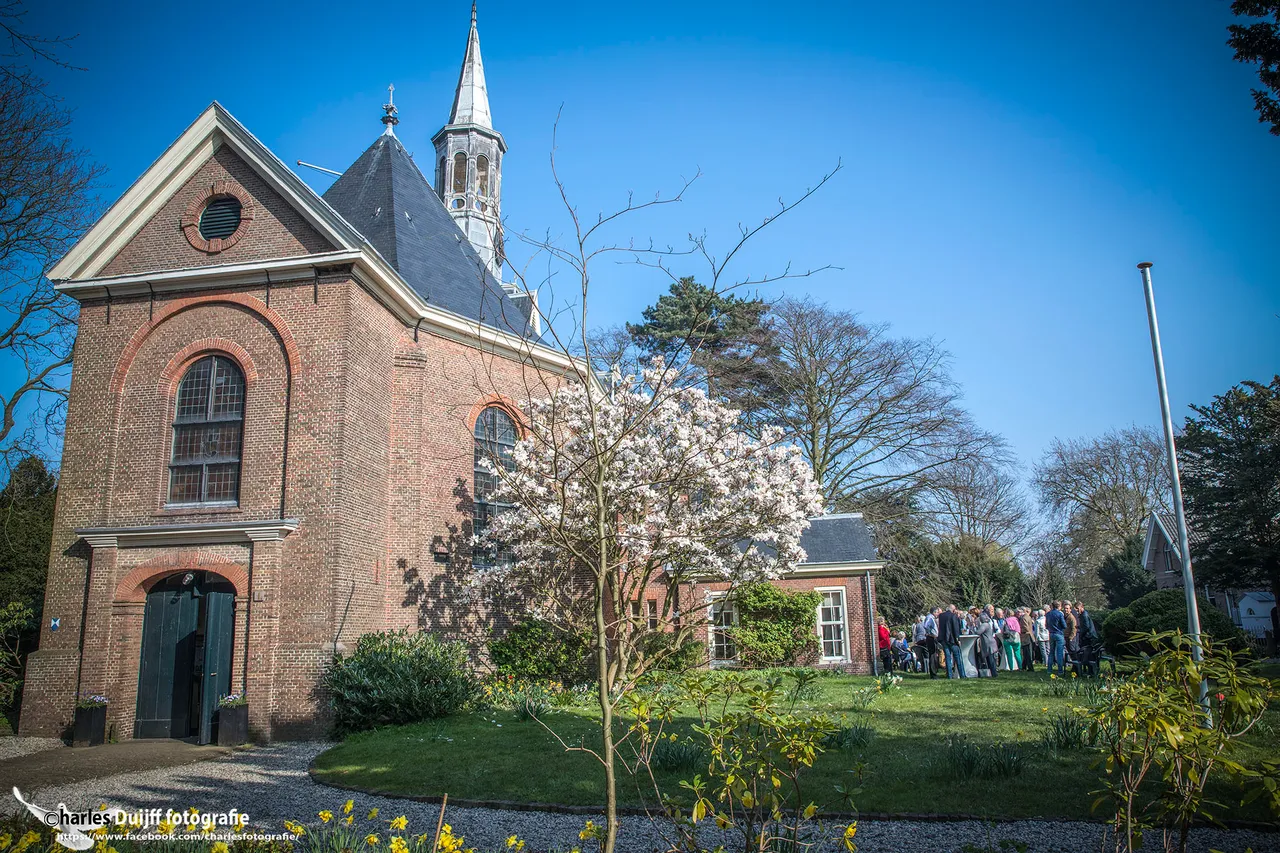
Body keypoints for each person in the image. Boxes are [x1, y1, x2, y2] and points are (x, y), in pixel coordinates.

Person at [939, 604, 966, 679]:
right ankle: (962, 675)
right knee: (957, 657)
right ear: (953, 610)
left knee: (947, 658)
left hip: (943, 639)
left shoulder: (941, 616)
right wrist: (958, 639)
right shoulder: (953, 616)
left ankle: (949, 675)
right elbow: (955, 628)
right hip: (952, 639)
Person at [1075, 602, 1099, 676]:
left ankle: (1090, 671)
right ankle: (1089, 670)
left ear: (1082, 607)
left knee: (1088, 654)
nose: (1077, 610)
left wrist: (1080, 633)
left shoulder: (1084, 615)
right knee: (1088, 654)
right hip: (1088, 636)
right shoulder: (1083, 614)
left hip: (1089, 637)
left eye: (1077, 609)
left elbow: (1086, 627)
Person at [975, 608, 999, 677]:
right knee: (990, 659)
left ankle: (994, 673)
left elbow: (978, 632)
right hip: (990, 643)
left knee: (991, 660)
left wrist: (976, 626)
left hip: (989, 644)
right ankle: (992, 673)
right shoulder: (987, 624)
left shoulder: (984, 625)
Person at [1046, 600, 1067, 676]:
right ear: (1059, 606)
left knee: (1051, 652)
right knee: (1059, 653)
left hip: (1051, 633)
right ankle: (1060, 670)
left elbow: (1046, 625)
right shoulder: (1059, 614)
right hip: (1059, 633)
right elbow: (1064, 625)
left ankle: (1049, 669)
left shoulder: (1048, 614)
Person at [923, 607, 941, 678]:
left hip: (932, 637)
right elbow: (926, 626)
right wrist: (930, 633)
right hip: (931, 637)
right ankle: (933, 673)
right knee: (932, 655)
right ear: (934, 612)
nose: (938, 614)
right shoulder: (930, 618)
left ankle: (934, 671)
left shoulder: (931, 618)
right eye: (937, 612)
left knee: (934, 654)